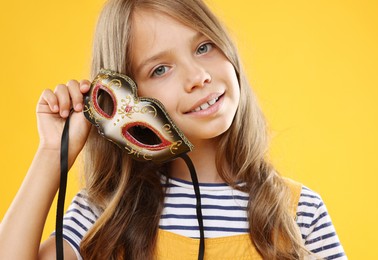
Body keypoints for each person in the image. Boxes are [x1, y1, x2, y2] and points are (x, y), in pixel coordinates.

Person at [0, 0, 347, 259]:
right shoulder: (103, 212)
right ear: (126, 99)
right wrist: (51, 154)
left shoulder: (300, 211)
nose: (198, 77)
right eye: (161, 69)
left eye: (203, 47)